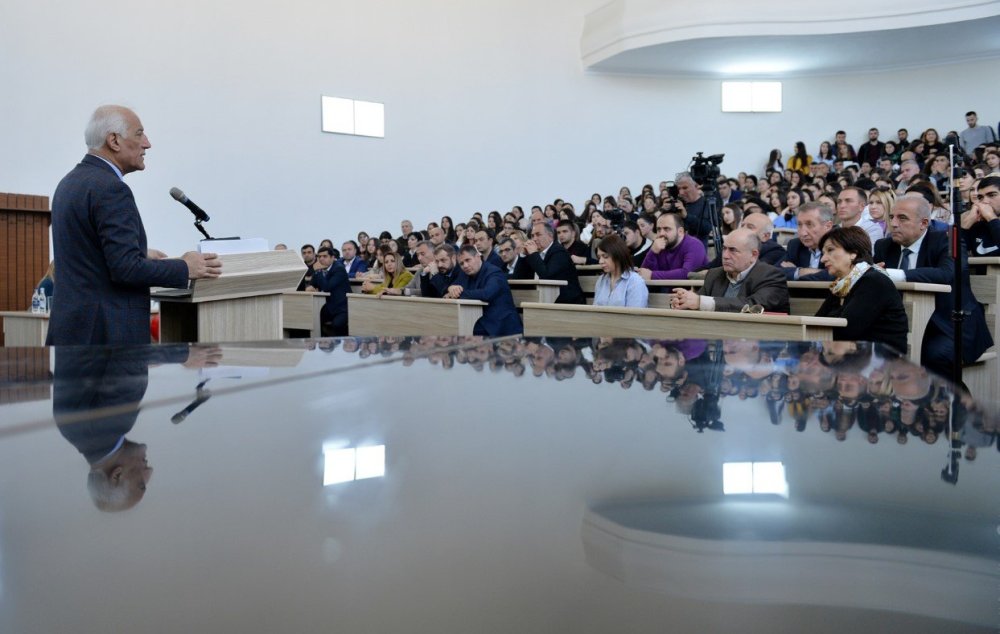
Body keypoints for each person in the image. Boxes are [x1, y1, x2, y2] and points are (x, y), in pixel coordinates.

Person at [47, 105, 221, 346]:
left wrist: (138, 252)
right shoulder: (111, 189)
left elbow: (85, 253)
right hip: (106, 344)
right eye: (139, 134)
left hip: (72, 333)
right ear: (114, 141)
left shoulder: (69, 183)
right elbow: (126, 270)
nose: (147, 144)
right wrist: (185, 268)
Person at [873, 193, 994, 375]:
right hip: (901, 323)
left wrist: (893, 274)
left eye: (902, 218)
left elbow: (947, 273)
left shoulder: (947, 240)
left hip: (949, 324)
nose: (894, 224)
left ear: (923, 223)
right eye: (891, 217)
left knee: (933, 355)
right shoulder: (884, 246)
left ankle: (949, 393)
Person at [814, 226, 908, 353]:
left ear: (853, 253)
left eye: (830, 250)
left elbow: (847, 330)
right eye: (823, 253)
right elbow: (817, 323)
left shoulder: (873, 281)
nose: (823, 259)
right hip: (852, 356)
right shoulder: (842, 284)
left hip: (882, 360)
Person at [670, 228, 789, 313]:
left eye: (733, 250)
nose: (725, 256)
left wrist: (700, 302)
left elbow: (753, 306)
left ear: (753, 255)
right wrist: (683, 302)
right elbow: (698, 301)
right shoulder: (714, 274)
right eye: (724, 249)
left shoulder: (772, 276)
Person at [444, 246, 522, 336]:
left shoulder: (494, 272)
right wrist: (451, 288)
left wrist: (458, 294)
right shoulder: (465, 274)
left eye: (468, 260)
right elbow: (451, 288)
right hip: (480, 320)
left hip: (501, 324)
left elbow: (486, 294)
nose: (465, 265)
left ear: (478, 257)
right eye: (461, 263)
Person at [522, 222, 585, 304]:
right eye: (532, 236)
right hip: (547, 299)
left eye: (538, 235)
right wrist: (523, 255)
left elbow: (546, 276)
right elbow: (521, 276)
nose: (534, 239)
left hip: (568, 302)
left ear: (550, 236)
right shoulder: (537, 254)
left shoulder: (559, 252)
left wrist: (534, 253)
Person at [637, 212, 708, 281]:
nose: (661, 233)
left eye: (666, 229)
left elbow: (688, 274)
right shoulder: (659, 246)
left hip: (691, 288)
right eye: (659, 229)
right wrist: (652, 252)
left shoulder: (694, 245)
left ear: (680, 231)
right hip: (665, 288)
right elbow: (644, 274)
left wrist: (653, 275)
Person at [593, 234, 648, 308]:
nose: (600, 261)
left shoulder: (635, 282)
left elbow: (635, 314)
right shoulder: (601, 280)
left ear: (618, 255)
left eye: (605, 256)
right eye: (599, 257)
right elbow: (595, 310)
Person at [308, 246, 350, 336]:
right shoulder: (319, 269)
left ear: (332, 257)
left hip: (342, 307)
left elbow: (327, 287)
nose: (321, 259)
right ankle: (319, 341)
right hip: (327, 307)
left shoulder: (339, 269)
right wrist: (310, 287)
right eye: (319, 257)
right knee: (311, 319)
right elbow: (312, 284)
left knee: (337, 325)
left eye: (325, 256)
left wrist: (319, 271)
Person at [961, 175, 1000, 254]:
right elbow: (953, 254)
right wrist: (967, 222)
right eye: (980, 197)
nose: (984, 201)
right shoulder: (976, 225)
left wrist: (991, 217)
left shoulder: (990, 219)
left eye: (992, 195)